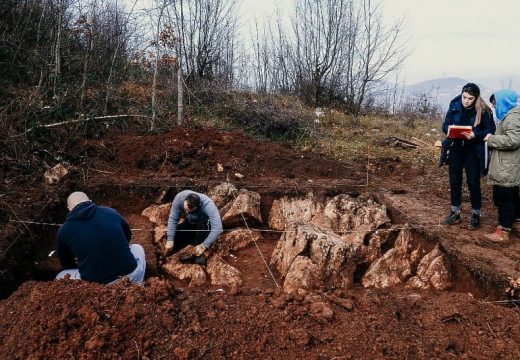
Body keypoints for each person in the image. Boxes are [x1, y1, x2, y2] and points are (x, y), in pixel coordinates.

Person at [56, 192, 146, 284]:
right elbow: (127, 234)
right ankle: (137, 286)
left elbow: (66, 263)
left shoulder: (64, 230)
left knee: (61, 276)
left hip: (97, 285)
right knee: (137, 247)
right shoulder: (110, 212)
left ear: (69, 209)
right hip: (131, 274)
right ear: (90, 201)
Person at [441, 83, 495, 229]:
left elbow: (491, 129)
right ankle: (455, 212)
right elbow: (445, 125)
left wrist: (475, 134)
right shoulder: (454, 104)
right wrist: (450, 130)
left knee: (473, 182)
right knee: (455, 181)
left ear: (476, 98)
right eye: (464, 97)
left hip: (473, 150)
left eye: (470, 98)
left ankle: (476, 214)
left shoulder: (483, 110)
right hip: (456, 148)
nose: (466, 101)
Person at [483, 89, 520, 242]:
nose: (495, 107)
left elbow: (513, 140)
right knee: (512, 195)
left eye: (495, 104)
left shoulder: (513, 118)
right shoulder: (510, 116)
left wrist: (491, 139)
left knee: (504, 197)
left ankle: (503, 231)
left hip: (507, 166)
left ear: (504, 102)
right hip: (507, 164)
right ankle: (515, 220)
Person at [164, 190, 223, 264]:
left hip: (204, 224)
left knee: (199, 251)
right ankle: (191, 239)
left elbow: (218, 228)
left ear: (198, 206)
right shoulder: (179, 197)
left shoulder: (208, 205)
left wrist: (204, 245)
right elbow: (173, 219)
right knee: (172, 236)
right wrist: (170, 240)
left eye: (189, 210)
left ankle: (199, 249)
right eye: (185, 209)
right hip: (190, 221)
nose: (187, 211)